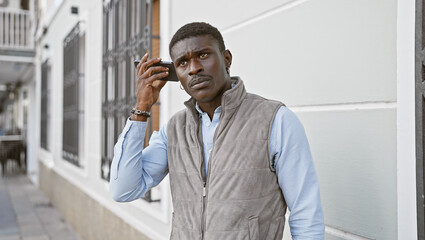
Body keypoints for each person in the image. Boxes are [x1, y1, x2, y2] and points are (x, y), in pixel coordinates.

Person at [110, 22, 324, 239]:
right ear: (177, 75)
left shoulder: (275, 120)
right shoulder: (174, 130)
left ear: (227, 59)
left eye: (203, 55)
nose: (194, 68)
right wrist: (142, 108)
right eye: (183, 62)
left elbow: (305, 214)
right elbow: (123, 190)